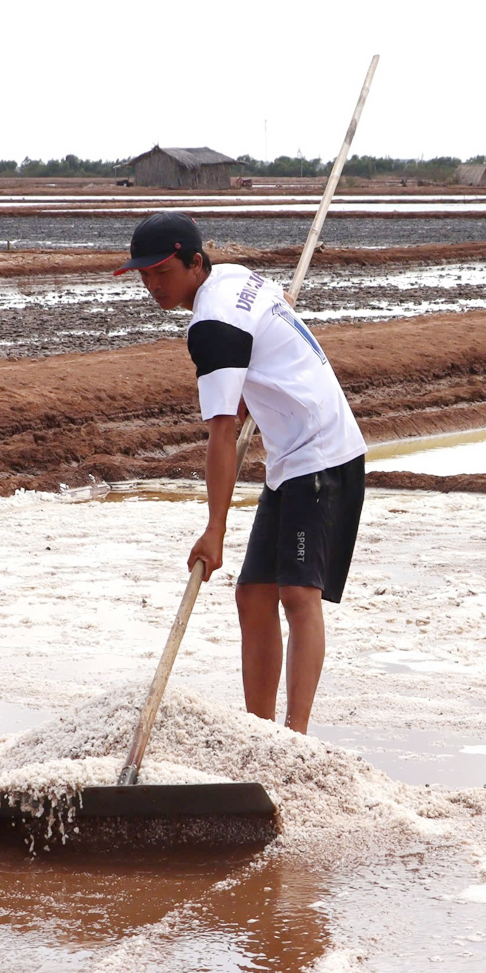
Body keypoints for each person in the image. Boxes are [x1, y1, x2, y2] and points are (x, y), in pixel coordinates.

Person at [115, 211, 365, 733]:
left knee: (298, 593)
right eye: (144, 275)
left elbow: (223, 433)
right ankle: (261, 731)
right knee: (253, 595)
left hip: (322, 453)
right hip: (289, 458)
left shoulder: (212, 327)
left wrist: (214, 529)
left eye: (162, 272)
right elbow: (278, 310)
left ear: (195, 263)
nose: (153, 285)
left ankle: (294, 738)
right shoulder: (237, 278)